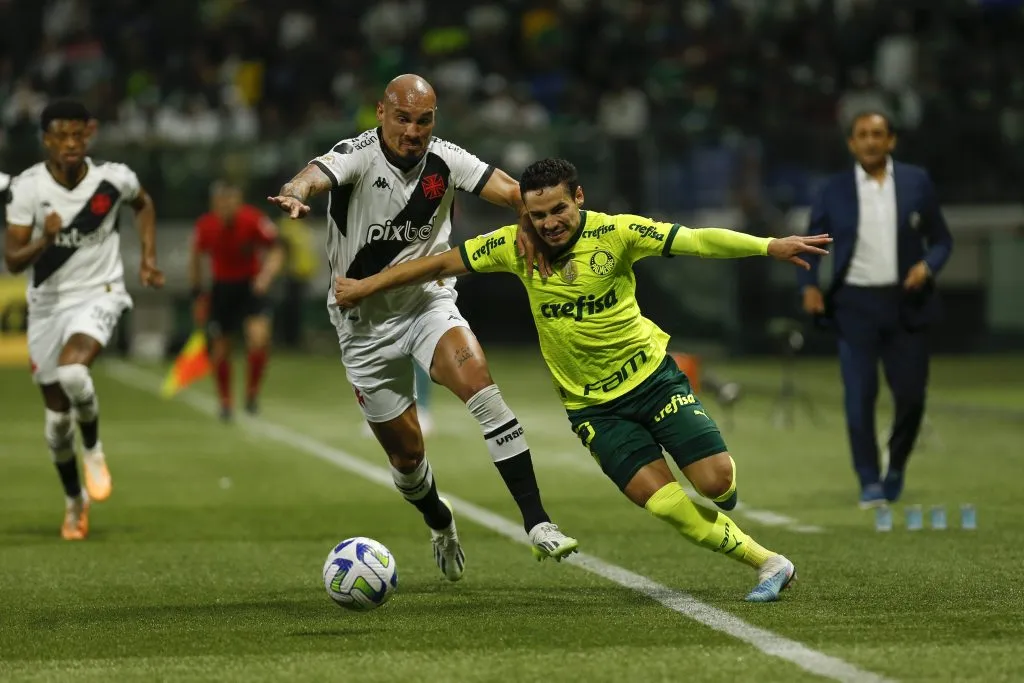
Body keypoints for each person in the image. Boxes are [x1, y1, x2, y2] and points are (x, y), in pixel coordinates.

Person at [334, 158, 832, 602]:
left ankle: (722, 489)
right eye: (537, 215)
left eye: (558, 210)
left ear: (579, 197)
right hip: (594, 410)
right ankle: (769, 562)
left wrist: (769, 246)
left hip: (653, 381)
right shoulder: (513, 246)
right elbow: (439, 264)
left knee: (717, 484)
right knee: (665, 505)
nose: (549, 223)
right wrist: (364, 286)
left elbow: (697, 240)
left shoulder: (618, 233)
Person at [267, 74, 577, 581]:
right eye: (403, 118)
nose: (413, 131)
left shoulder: (446, 159)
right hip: (363, 326)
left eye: (424, 120)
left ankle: (538, 522)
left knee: (482, 389)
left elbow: (513, 192)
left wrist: (527, 219)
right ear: (381, 113)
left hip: (427, 305)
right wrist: (295, 191)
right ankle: (439, 521)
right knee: (408, 459)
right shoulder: (358, 155)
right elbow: (315, 175)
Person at [3, 100, 163, 540]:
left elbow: (143, 204)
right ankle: (75, 501)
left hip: (100, 293)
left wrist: (148, 258)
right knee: (56, 425)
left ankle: (93, 447)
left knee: (74, 372)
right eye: (62, 136)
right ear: (46, 140)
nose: (71, 143)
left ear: (88, 135)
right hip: (47, 305)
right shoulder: (28, 188)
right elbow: (13, 260)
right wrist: (46, 239)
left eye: (78, 135)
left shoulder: (114, 178)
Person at [799, 112, 953, 508]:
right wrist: (809, 286)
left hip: (907, 305)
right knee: (859, 396)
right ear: (851, 143)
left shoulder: (916, 182)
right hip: (854, 306)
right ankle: (868, 478)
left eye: (878, 134)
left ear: (891, 141)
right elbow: (812, 243)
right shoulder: (833, 189)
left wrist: (927, 266)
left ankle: (896, 464)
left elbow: (942, 240)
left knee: (912, 397)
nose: (870, 141)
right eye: (863, 135)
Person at [190, 180, 285, 421]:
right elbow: (196, 257)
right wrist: (197, 293)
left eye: (231, 201)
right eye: (222, 201)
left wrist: (266, 276)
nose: (227, 206)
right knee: (221, 348)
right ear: (214, 203)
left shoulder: (253, 219)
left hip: (250, 287)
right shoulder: (205, 226)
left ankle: (252, 393)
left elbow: (277, 248)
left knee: (259, 339)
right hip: (222, 289)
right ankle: (225, 401)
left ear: (239, 201)